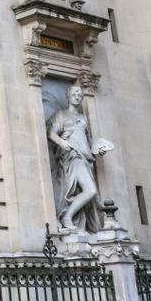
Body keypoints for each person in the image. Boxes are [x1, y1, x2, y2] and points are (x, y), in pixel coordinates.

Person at [47, 83, 112, 232]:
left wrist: (98, 149)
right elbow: (51, 133)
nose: (77, 96)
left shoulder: (83, 118)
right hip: (73, 157)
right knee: (91, 190)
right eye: (74, 93)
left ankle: (73, 218)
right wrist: (63, 143)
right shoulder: (61, 115)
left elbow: (87, 139)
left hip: (85, 158)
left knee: (89, 192)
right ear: (68, 96)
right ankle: (67, 216)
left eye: (80, 94)